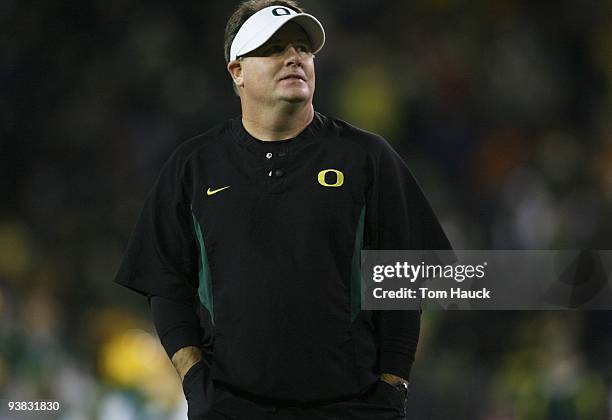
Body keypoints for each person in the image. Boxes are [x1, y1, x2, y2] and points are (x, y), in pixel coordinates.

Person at [114, 1, 451, 419]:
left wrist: (393, 387)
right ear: (237, 70)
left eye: (303, 48)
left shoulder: (367, 158)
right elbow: (165, 284)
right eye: (274, 48)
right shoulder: (194, 166)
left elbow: (409, 279)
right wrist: (196, 383)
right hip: (232, 408)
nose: (294, 57)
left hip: (351, 407)